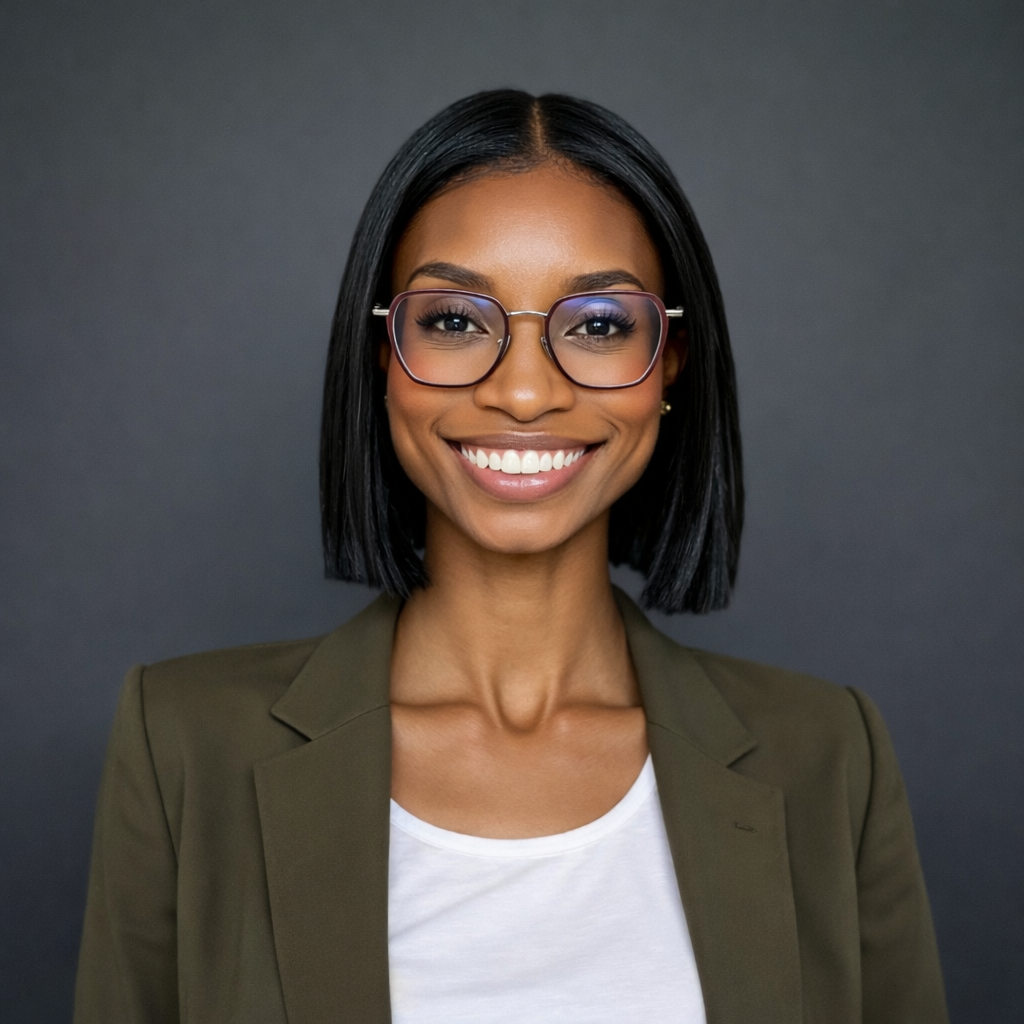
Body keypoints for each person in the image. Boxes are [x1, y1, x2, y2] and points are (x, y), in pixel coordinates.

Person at [74, 91, 948, 1023]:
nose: (524, 391)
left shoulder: (828, 757)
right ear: (382, 354)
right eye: (453, 320)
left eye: (600, 324)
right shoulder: (183, 746)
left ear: (672, 363)